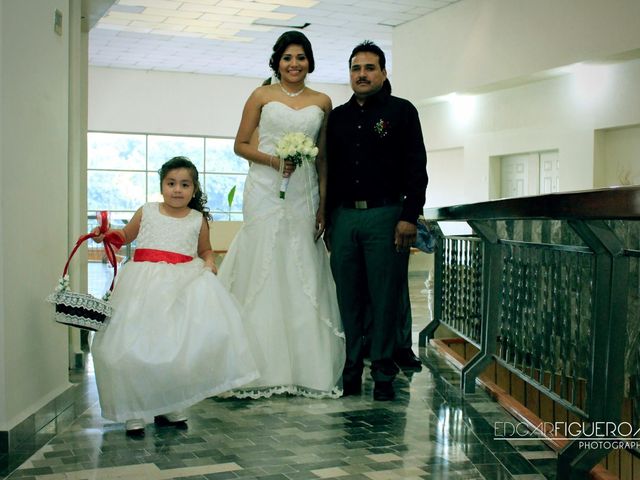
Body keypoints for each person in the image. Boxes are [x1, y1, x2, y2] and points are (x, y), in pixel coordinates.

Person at [218, 31, 346, 399]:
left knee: (300, 261)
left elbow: (322, 158)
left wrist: (322, 202)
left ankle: (307, 365)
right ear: (277, 61)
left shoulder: (322, 101)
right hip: (263, 188)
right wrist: (274, 160)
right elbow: (240, 144)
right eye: (288, 57)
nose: (294, 64)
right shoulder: (261, 96)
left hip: (303, 192)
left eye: (301, 57)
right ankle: (254, 365)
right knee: (263, 260)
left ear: (310, 62)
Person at [91, 157, 259, 436]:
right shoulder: (147, 211)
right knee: (135, 345)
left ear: (194, 189)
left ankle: (168, 402)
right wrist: (107, 236)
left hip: (181, 286)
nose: (177, 190)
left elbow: (205, 250)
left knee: (174, 348)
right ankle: (135, 408)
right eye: (171, 184)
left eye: (184, 184)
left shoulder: (197, 220)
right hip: (142, 286)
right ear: (161, 186)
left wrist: (209, 262)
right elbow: (125, 235)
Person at [326, 41, 428, 401]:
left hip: (386, 216)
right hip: (344, 218)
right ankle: (351, 369)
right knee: (348, 298)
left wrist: (409, 216)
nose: (362, 74)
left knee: (385, 297)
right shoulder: (337, 117)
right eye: (356, 68)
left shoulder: (401, 112)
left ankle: (383, 372)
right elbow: (329, 172)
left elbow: (417, 167)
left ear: (383, 73)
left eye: (370, 68)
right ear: (350, 74)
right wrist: (328, 220)